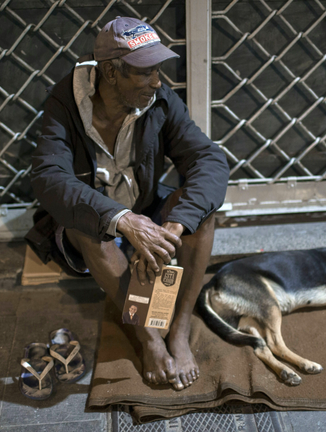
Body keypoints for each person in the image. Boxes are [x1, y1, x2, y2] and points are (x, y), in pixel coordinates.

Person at [25, 16, 229, 391]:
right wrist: (122, 221)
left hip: (145, 207)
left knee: (201, 215)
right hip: (99, 225)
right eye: (144, 72)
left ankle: (179, 331)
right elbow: (48, 177)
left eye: (157, 70)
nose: (156, 81)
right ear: (110, 72)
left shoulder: (159, 99)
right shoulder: (65, 103)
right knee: (90, 227)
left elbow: (208, 160)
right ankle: (149, 338)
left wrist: (173, 225)